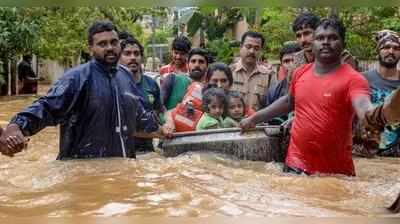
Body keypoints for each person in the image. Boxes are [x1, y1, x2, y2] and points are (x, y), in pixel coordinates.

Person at [0, 21, 158, 159]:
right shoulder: (77, 79)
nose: (110, 47)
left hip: (122, 172)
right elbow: (47, 107)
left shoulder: (126, 77)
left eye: (114, 42)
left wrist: (163, 127)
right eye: (102, 44)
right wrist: (17, 127)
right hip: (83, 173)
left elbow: (139, 117)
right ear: (90, 48)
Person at [240, 17, 376, 176]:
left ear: (343, 44)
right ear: (314, 43)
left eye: (332, 38)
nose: (325, 42)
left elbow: (363, 105)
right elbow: (288, 101)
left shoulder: (354, 79)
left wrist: (373, 118)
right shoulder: (300, 71)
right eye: (320, 38)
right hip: (294, 165)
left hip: (335, 175)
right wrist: (254, 119)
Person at [118, 34, 164, 152]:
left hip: (148, 151)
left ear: (142, 58)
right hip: (122, 151)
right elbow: (120, 126)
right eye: (127, 53)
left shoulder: (151, 84)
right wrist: (158, 134)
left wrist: (168, 122)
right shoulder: (113, 86)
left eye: (136, 53)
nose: (133, 57)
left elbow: (159, 111)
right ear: (119, 57)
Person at [362, 30, 400, 157]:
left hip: (395, 155)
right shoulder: (362, 80)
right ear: (378, 50)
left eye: (396, 48)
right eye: (386, 47)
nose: (391, 51)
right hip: (366, 152)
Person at [291, 12, 358, 71]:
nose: (303, 40)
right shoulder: (296, 59)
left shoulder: (341, 56)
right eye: (298, 36)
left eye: (307, 33)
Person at [230, 31, 276, 111]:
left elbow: (273, 104)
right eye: (248, 46)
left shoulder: (269, 75)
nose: (252, 51)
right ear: (241, 47)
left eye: (256, 48)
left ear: (261, 51)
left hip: (259, 122)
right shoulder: (229, 72)